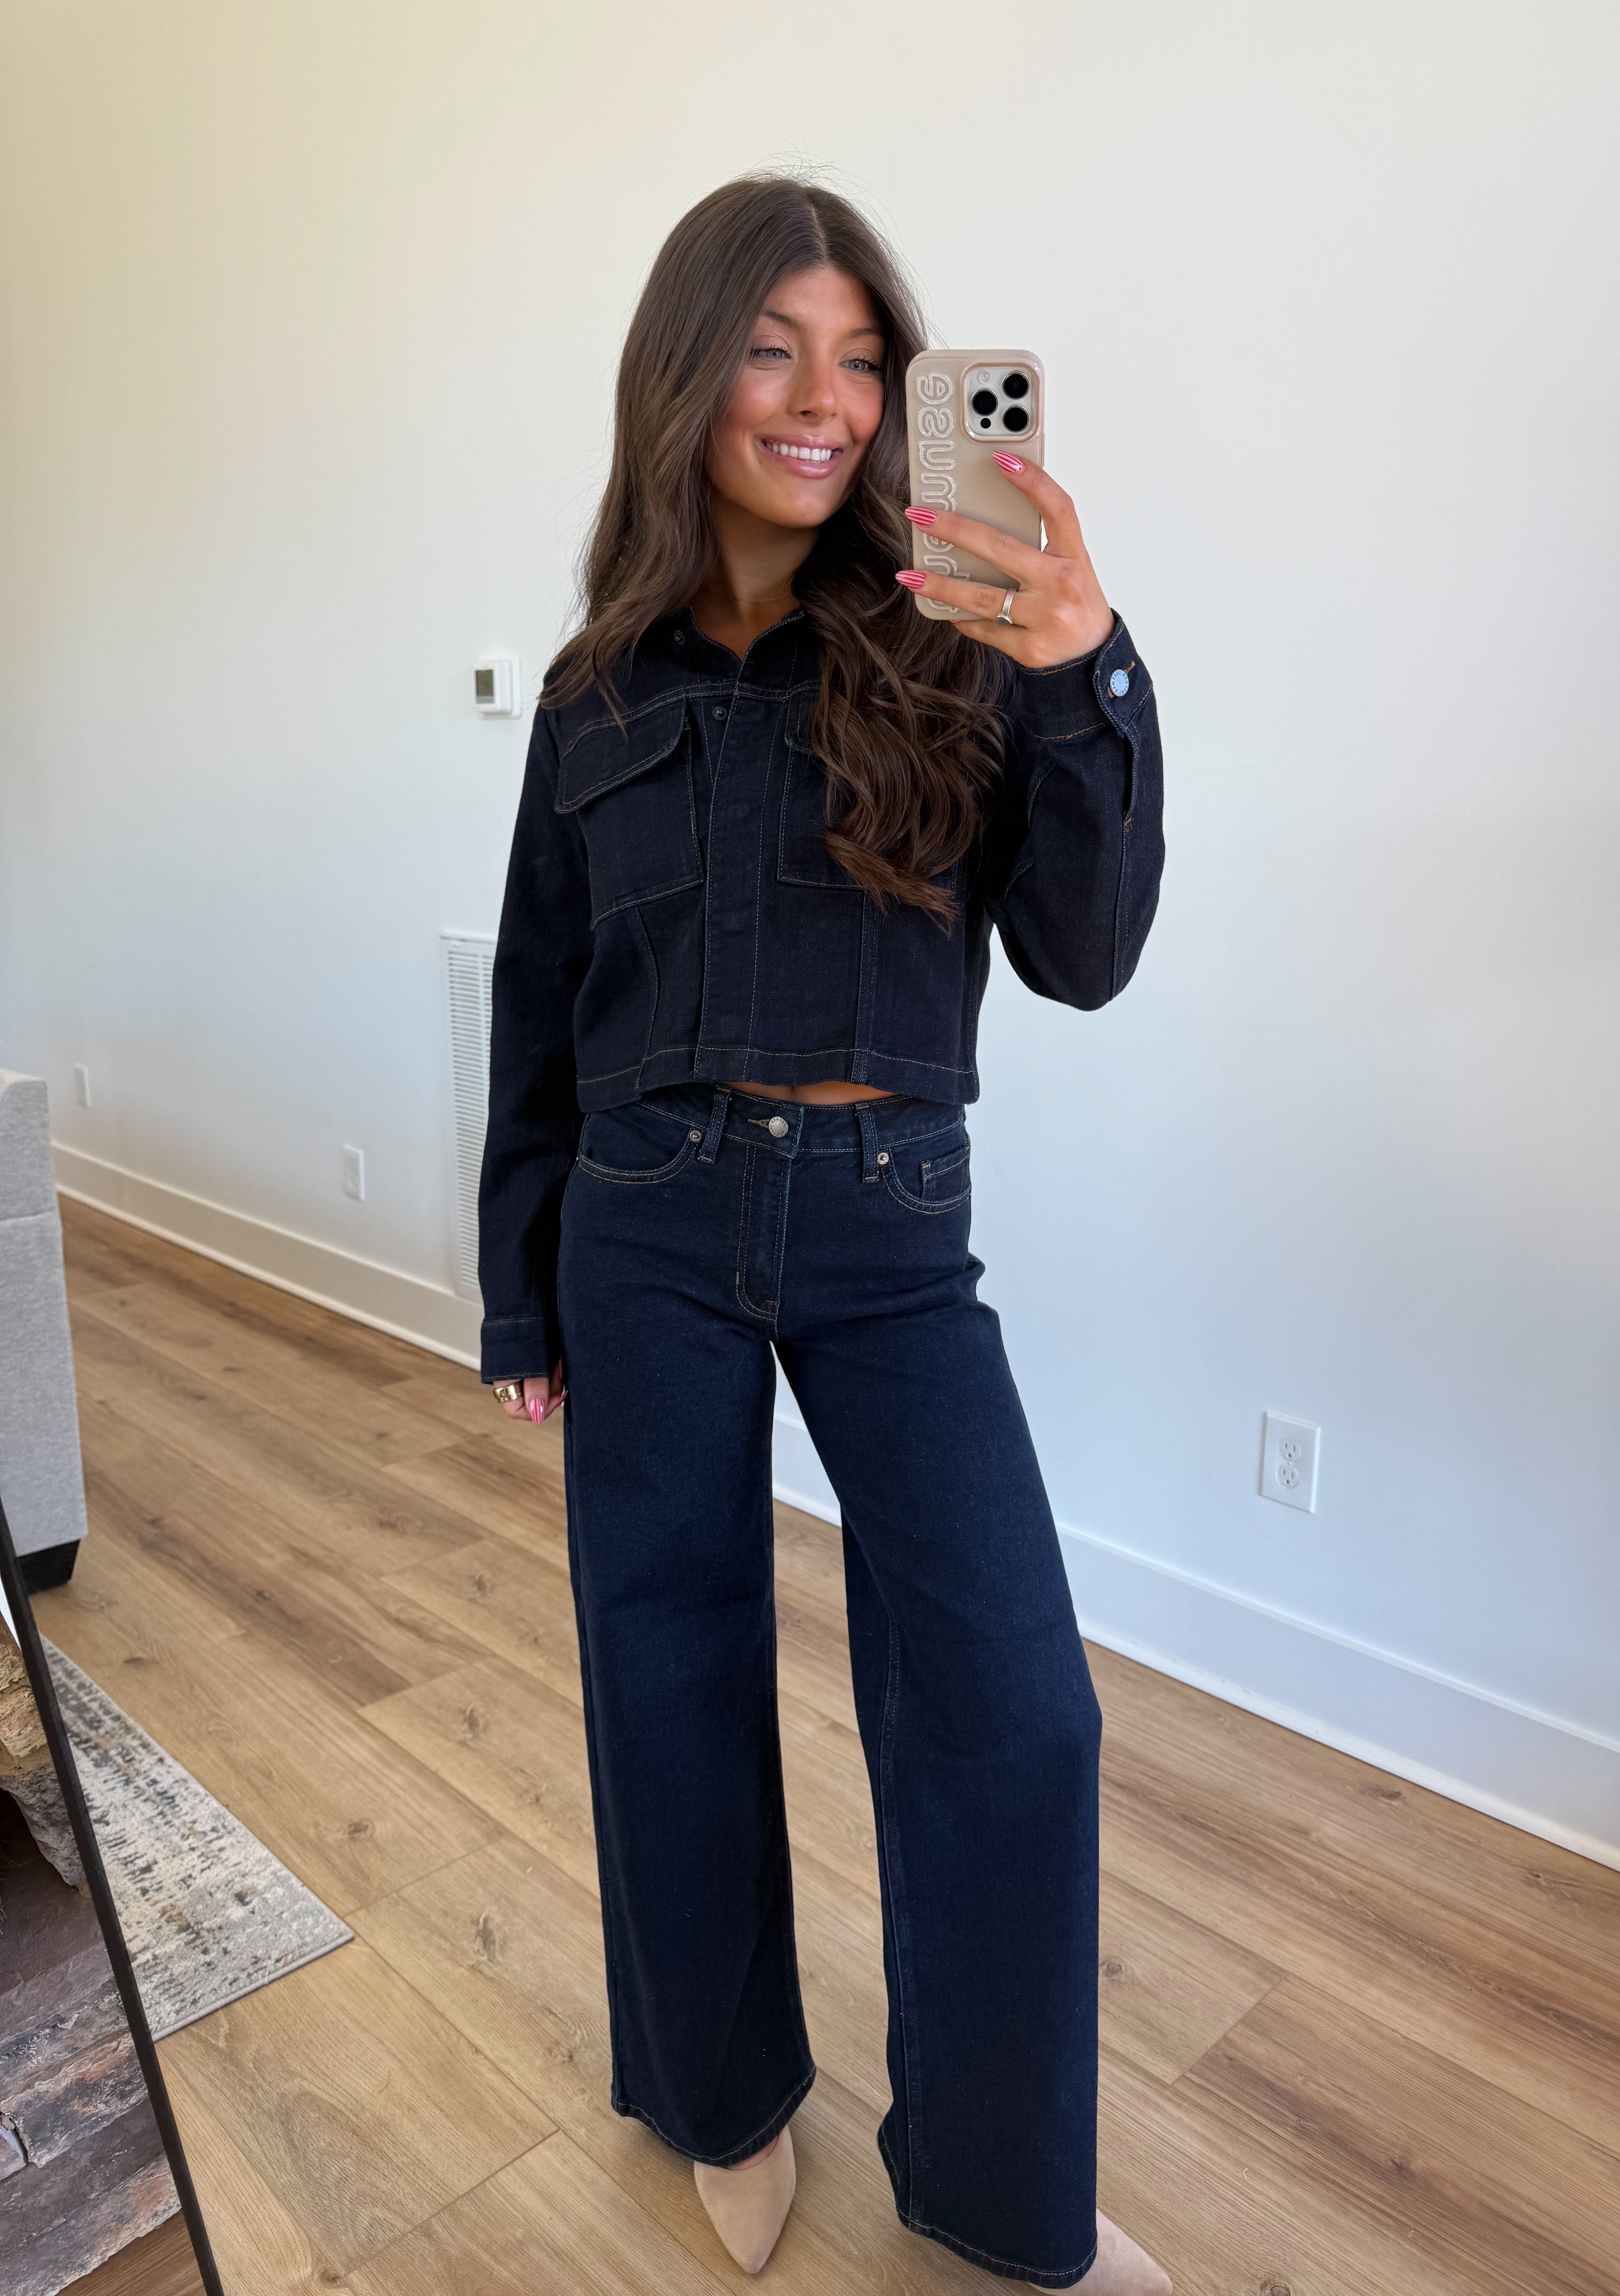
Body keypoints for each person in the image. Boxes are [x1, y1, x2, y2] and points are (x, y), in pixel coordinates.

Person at [476, 174, 1168, 2293]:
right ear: (686, 374)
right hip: (646, 1227)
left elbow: (1085, 955)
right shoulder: (594, 692)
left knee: (1014, 1707)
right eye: (774, 349)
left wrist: (1086, 665)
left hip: (893, 1231)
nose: (827, 399)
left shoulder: (964, 638)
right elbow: (539, 1000)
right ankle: (721, 2098)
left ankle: (997, 2184)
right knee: (665, 1664)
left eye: (866, 359)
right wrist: (517, 1285)